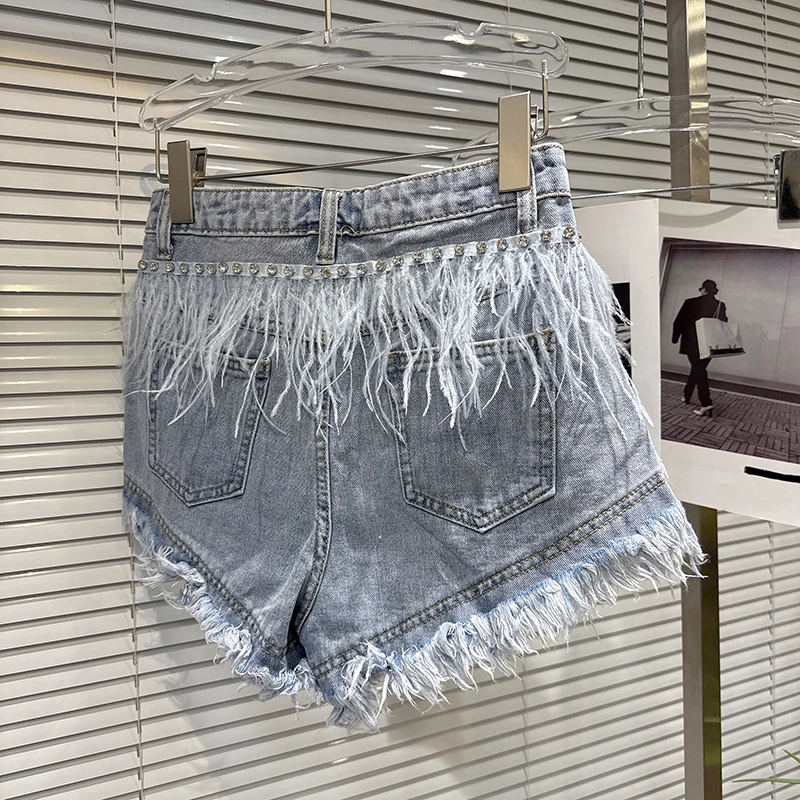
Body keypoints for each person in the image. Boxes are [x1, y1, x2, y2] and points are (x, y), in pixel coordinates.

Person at [671, 278, 727, 417]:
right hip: (709, 343)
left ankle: (706, 403)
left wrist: (675, 338)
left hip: (692, 342)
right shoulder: (720, 305)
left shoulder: (690, 302)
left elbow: (679, 321)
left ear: (704, 289)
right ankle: (687, 394)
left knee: (698, 369)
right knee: (698, 368)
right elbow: (723, 322)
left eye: (700, 289)